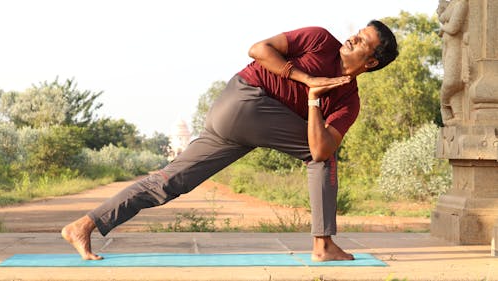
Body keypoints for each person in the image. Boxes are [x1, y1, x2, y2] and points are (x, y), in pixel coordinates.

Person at [62, 20, 398, 262]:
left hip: (240, 120)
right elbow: (258, 49)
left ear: (371, 62)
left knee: (168, 181)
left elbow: (322, 146)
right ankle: (323, 245)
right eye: (358, 32)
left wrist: (313, 100)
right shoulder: (319, 39)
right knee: (322, 160)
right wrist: (306, 78)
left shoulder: (347, 100)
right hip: (246, 99)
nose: (353, 38)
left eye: (362, 40)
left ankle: (85, 224)